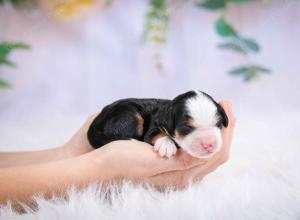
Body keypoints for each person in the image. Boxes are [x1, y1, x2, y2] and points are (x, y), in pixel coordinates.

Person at [0, 101, 236, 210]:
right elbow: (155, 131)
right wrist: (100, 169)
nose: (207, 139)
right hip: (120, 120)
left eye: (216, 125)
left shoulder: (172, 114)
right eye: (188, 128)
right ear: (171, 122)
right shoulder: (162, 121)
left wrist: (70, 154)